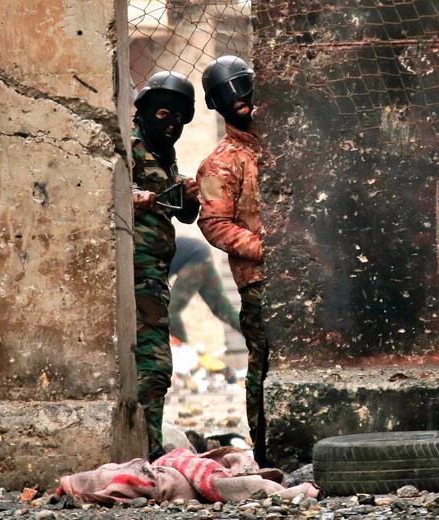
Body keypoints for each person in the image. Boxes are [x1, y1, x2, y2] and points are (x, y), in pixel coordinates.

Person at [196, 56, 269, 465]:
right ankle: (265, 446)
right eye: (228, 94)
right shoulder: (217, 164)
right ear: (216, 104)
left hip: (305, 274)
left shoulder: (281, 144)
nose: (240, 100)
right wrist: (265, 250)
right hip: (259, 280)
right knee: (263, 363)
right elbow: (214, 224)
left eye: (243, 88)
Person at [132, 70, 200, 461]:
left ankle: (148, 455)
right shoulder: (126, 146)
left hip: (154, 279)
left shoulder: (164, 156)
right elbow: (95, 190)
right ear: (143, 111)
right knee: (151, 368)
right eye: (163, 115)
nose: (171, 124)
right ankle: (146, 457)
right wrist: (135, 196)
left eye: (179, 119)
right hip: (128, 279)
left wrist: (187, 195)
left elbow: (183, 216)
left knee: (155, 372)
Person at [168, 236, 242, 344]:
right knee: (223, 309)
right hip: (203, 255)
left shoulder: (149, 256)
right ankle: (258, 334)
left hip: (195, 259)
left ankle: (182, 349)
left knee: (170, 311)